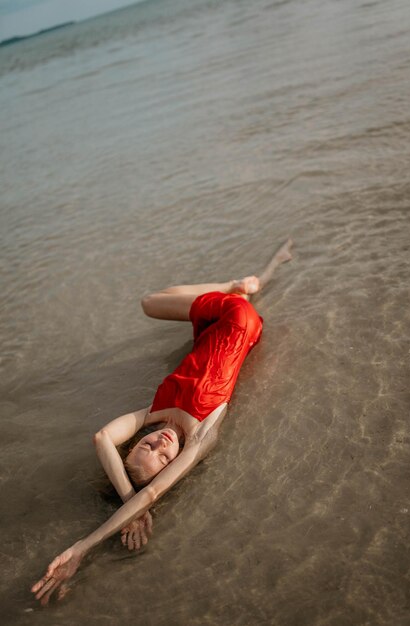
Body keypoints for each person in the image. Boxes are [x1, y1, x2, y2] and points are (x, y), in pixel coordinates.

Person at [31, 239, 293, 606]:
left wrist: (127, 497)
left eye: (145, 445)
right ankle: (241, 287)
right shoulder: (204, 435)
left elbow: (103, 437)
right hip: (239, 321)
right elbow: (154, 492)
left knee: (148, 302)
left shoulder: (153, 413)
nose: (162, 443)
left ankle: (238, 284)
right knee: (171, 301)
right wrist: (82, 548)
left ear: (138, 440)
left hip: (214, 326)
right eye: (165, 456)